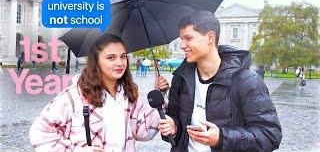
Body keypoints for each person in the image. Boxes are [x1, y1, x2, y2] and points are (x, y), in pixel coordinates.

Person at [158, 11, 282, 151]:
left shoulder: (246, 81)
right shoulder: (181, 78)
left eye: (188, 38)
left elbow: (271, 135)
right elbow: (176, 126)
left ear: (210, 37)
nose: (182, 45)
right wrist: (173, 127)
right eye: (181, 39)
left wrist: (222, 138)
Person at [29, 34, 169, 151]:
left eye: (123, 56)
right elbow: (40, 133)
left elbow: (144, 131)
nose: (120, 63)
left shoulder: (128, 95)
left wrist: (160, 96)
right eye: (111, 58)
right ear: (96, 61)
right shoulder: (74, 97)